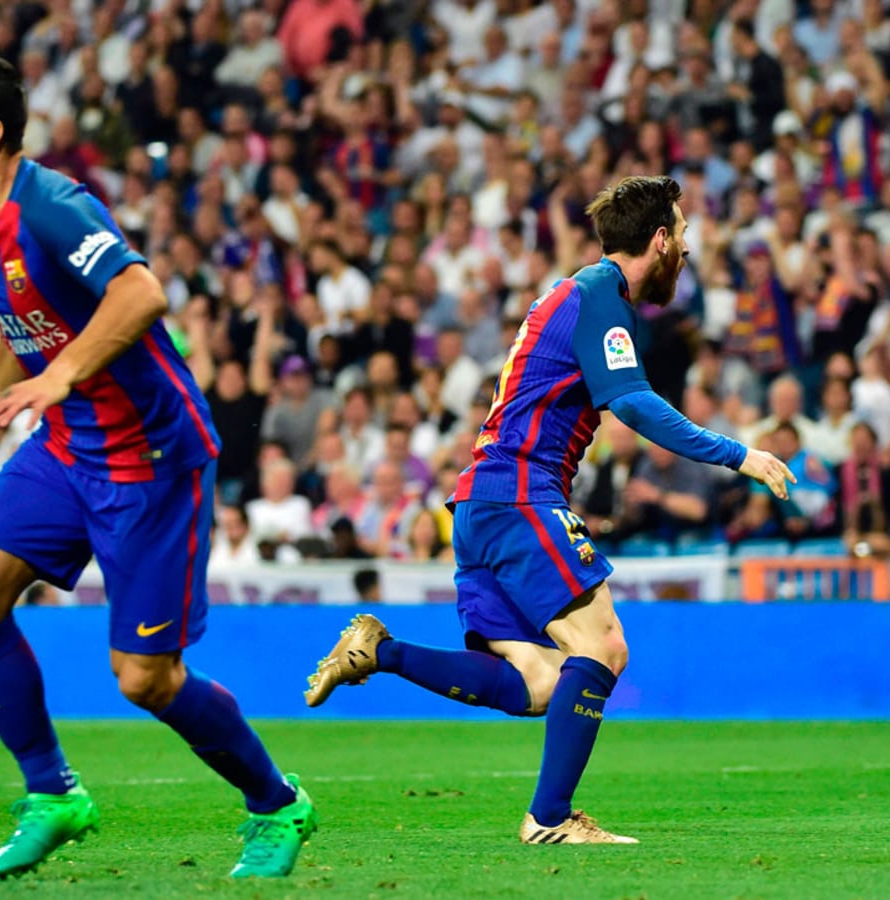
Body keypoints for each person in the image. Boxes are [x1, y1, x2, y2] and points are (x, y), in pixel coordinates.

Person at [0, 54, 314, 880]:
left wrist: (64, 376)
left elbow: (140, 294)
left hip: (148, 458)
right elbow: (21, 342)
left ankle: (276, 802)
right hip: (68, 445)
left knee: (146, 680)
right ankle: (53, 794)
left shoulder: (50, 206)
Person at [303, 175, 794, 844]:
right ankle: (551, 818)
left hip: (481, 503)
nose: (684, 248)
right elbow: (633, 402)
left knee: (538, 683)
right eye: (679, 235)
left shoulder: (570, 292)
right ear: (658, 240)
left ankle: (380, 652)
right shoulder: (600, 298)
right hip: (519, 494)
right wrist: (738, 454)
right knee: (605, 647)